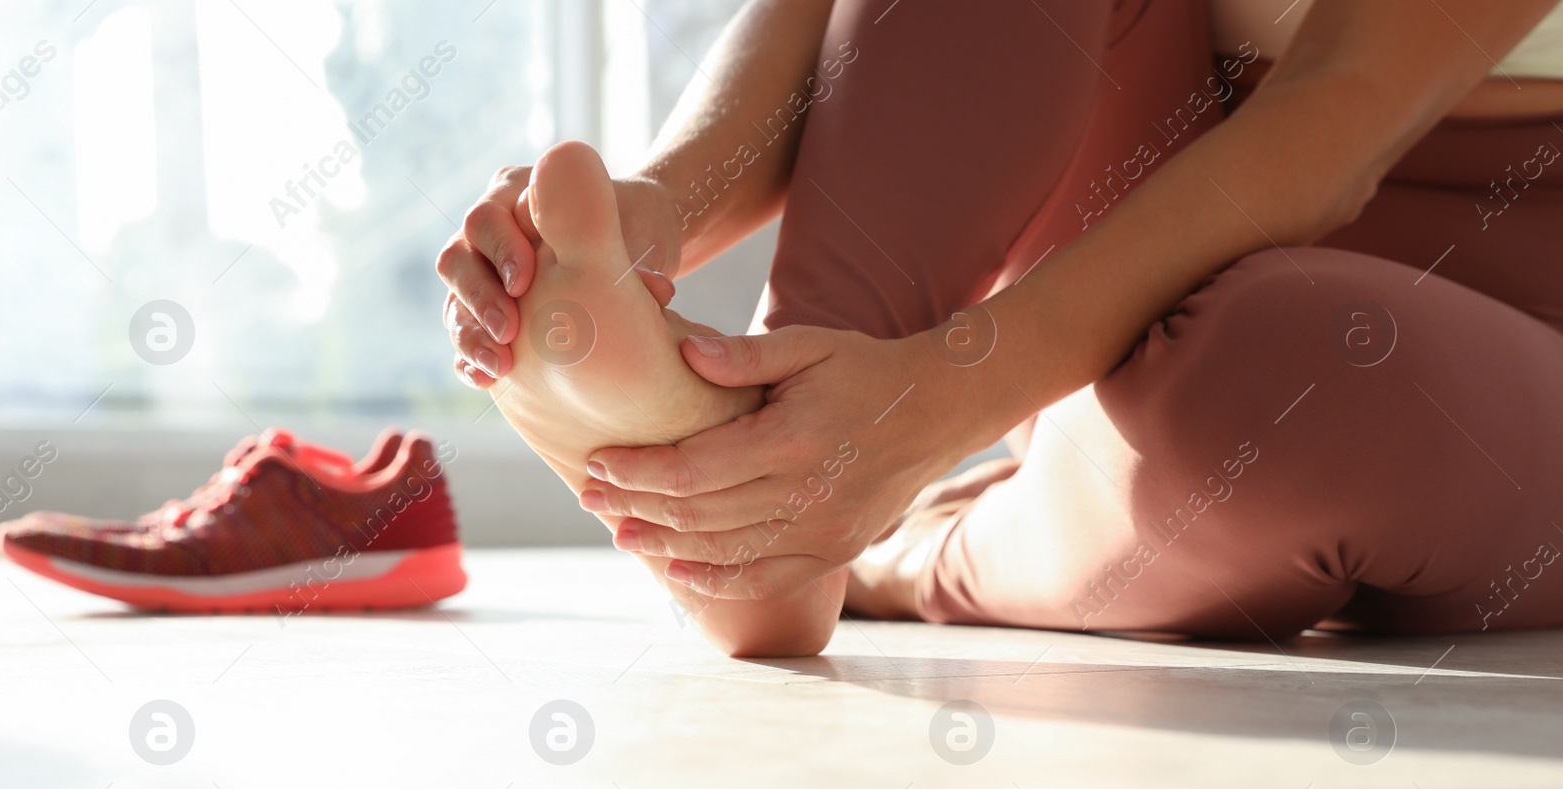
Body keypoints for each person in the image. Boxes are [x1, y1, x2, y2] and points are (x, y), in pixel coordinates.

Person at [437, 0, 1563, 657]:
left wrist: (945, 393)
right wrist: (661, 207)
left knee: (1301, 377)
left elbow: (1341, 120)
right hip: (1148, 244)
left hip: (1507, 320)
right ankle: (780, 453)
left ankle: (885, 532)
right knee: (1263, 365)